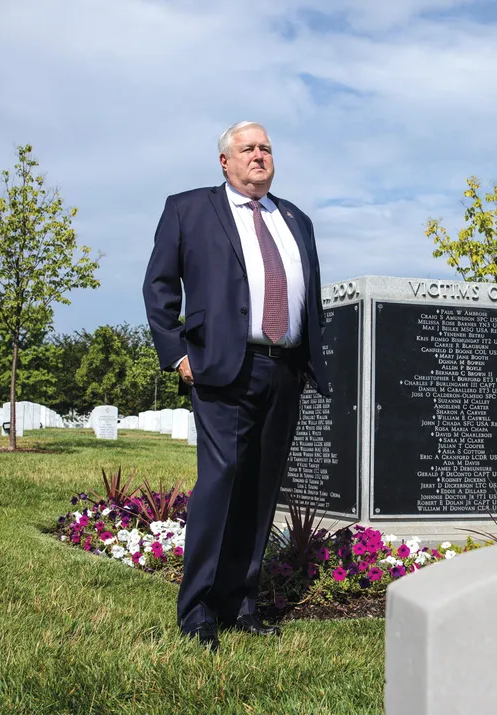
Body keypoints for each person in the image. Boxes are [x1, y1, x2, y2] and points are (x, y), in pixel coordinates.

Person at [142, 121, 329, 652]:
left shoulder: (296, 219)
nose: (259, 156)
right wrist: (178, 353)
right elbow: (159, 285)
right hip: (220, 366)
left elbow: (307, 294)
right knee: (222, 480)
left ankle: (242, 602)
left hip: (286, 369)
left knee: (262, 487)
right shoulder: (188, 209)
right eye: (248, 149)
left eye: (267, 148)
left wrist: (313, 355)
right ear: (224, 161)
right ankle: (199, 610)